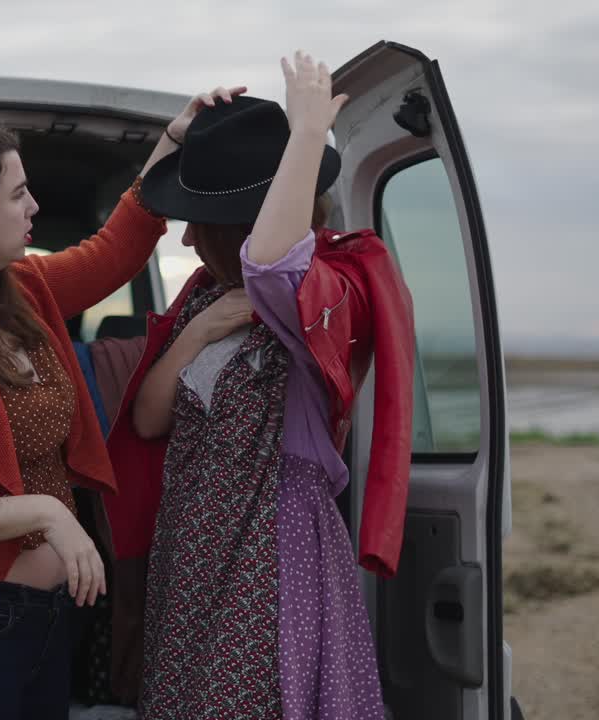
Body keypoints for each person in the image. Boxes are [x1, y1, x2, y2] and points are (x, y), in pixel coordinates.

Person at [0, 85, 246, 720]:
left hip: (42, 619)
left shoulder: (23, 290)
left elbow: (116, 250)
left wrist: (171, 143)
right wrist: (46, 513)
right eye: (17, 194)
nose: (34, 205)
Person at [103, 52, 416, 719]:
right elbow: (150, 420)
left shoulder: (328, 290)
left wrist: (308, 133)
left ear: (237, 226)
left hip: (271, 554)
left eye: (198, 221)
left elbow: (273, 263)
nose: (185, 238)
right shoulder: (205, 300)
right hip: (193, 555)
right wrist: (202, 329)